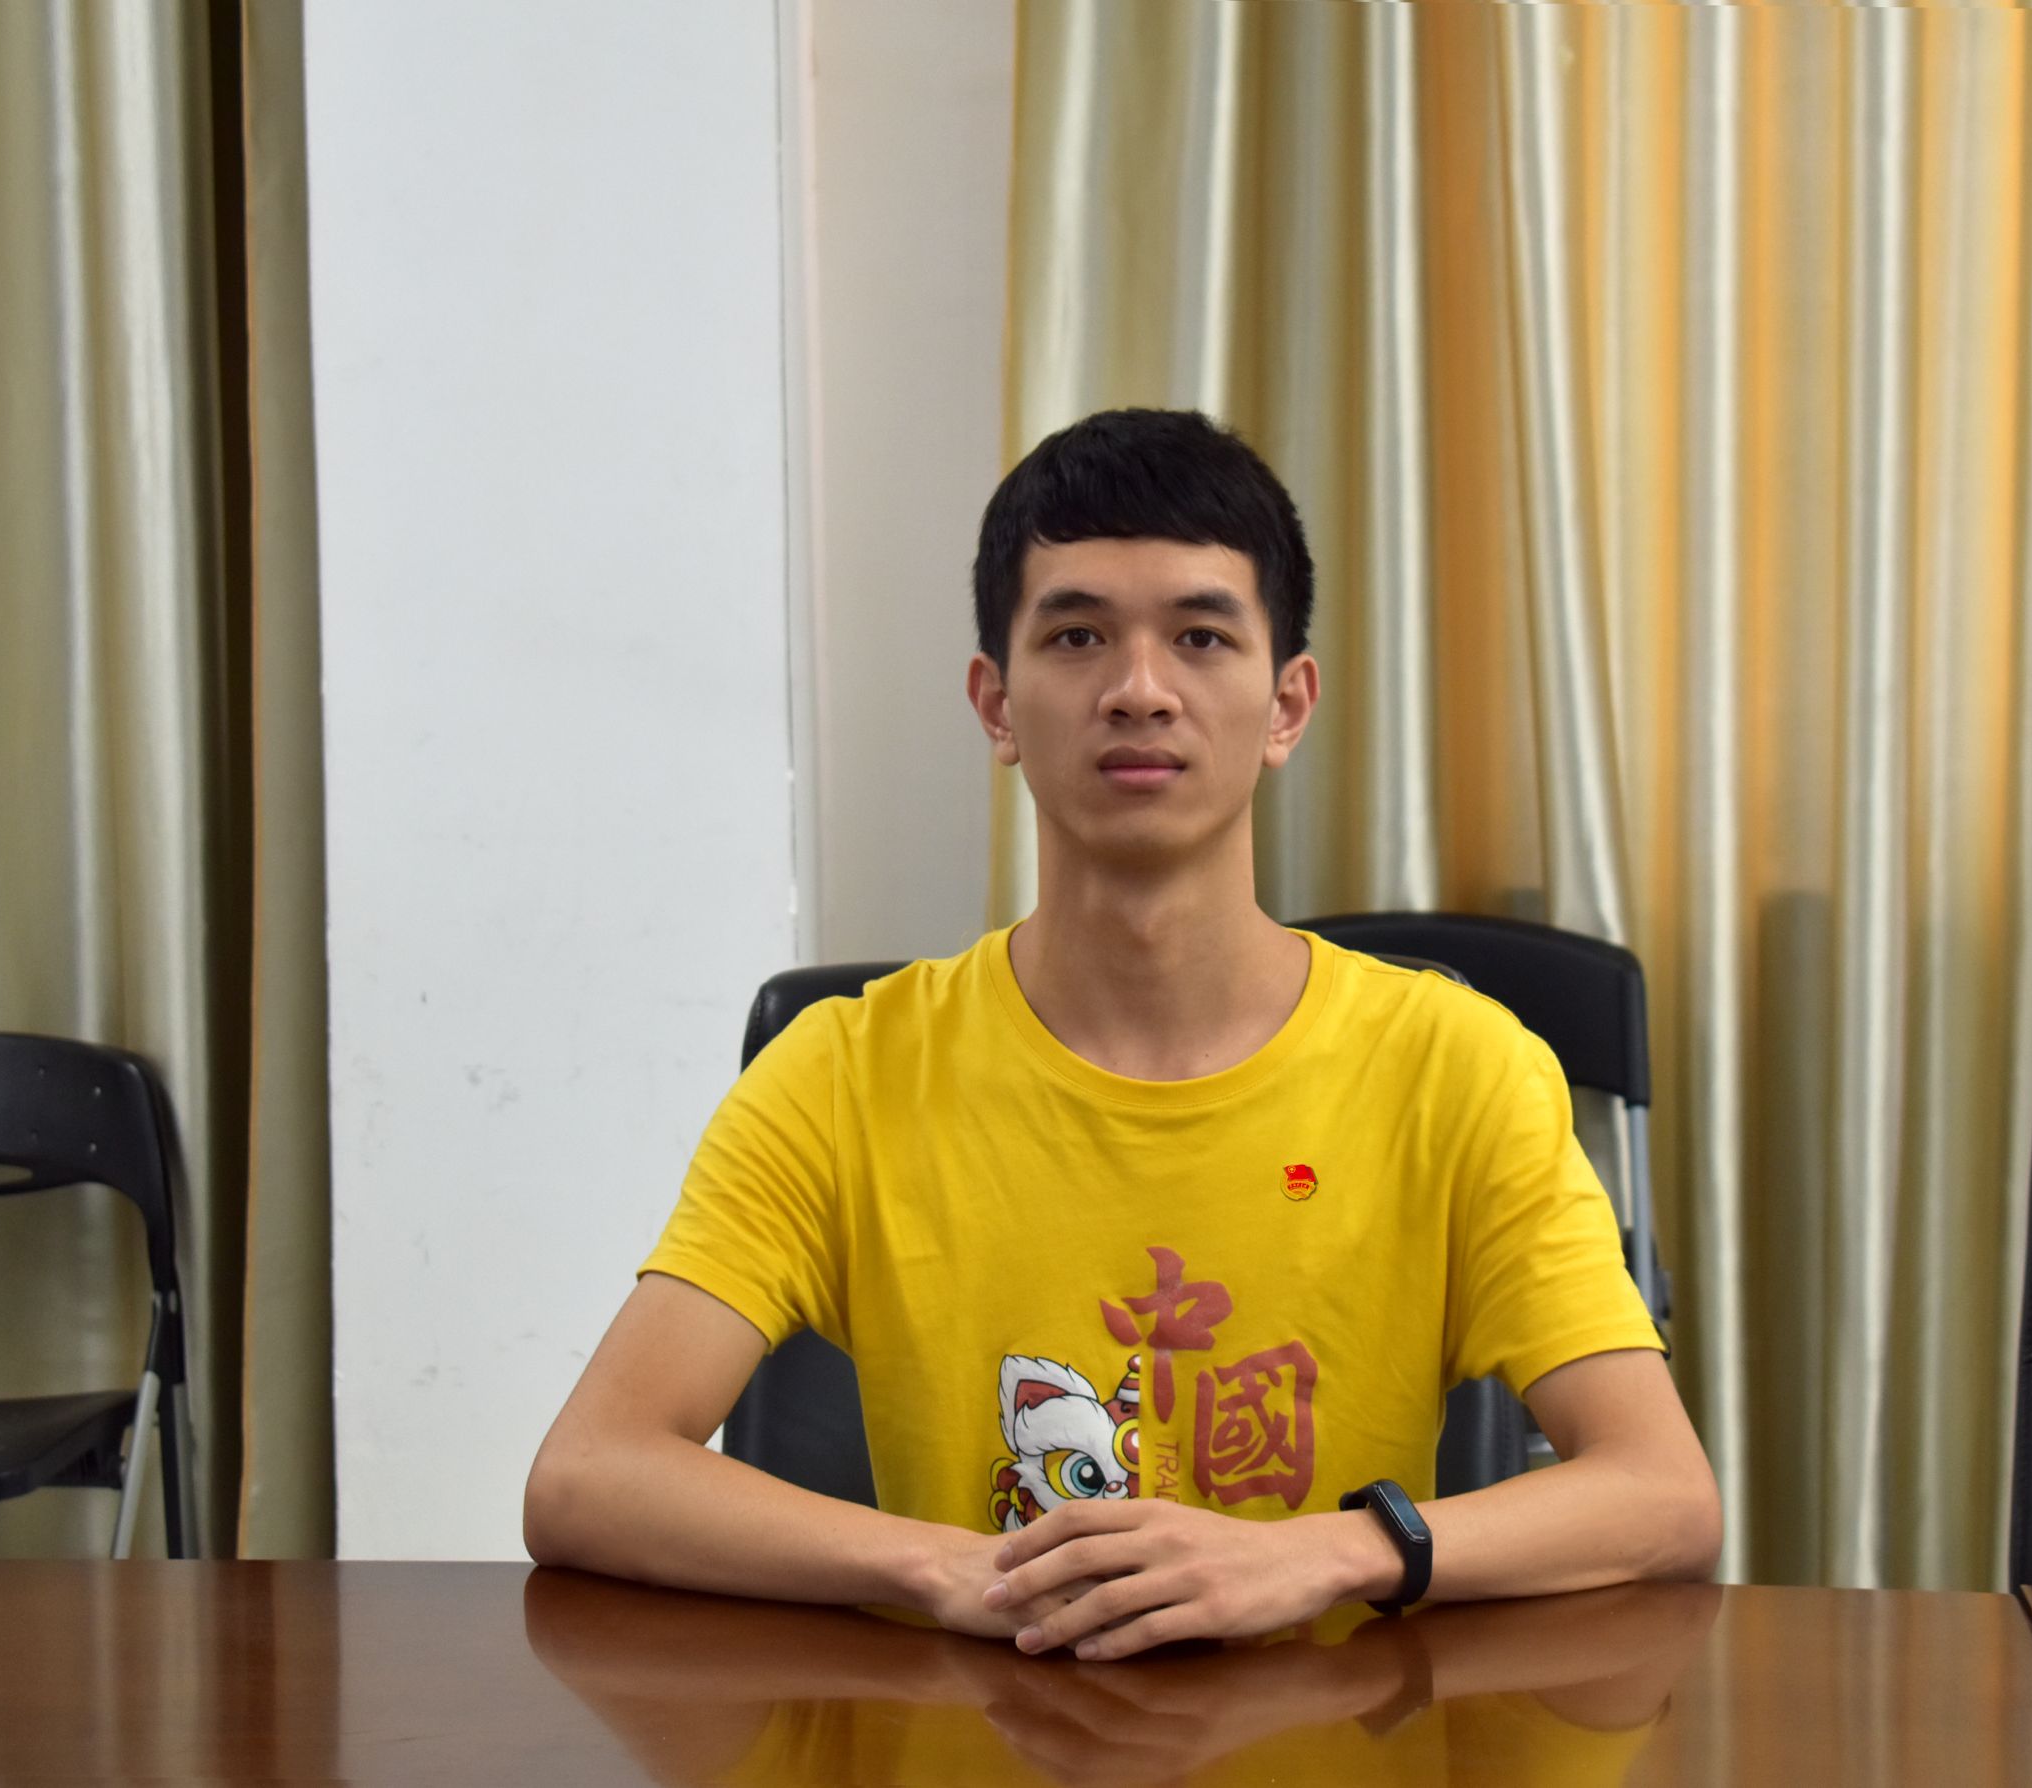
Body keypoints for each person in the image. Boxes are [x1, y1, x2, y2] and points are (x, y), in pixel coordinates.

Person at [524, 409, 1721, 1662]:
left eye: (1201, 637)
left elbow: (1661, 1493)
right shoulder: (841, 1073)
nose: (1140, 690)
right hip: (983, 1726)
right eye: (1077, 636)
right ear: (997, 705)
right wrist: (946, 1568)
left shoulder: (1458, 1068)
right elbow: (591, 1473)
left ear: (1286, 705)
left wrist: (1323, 1555)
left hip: (1343, 1737)